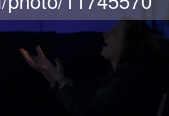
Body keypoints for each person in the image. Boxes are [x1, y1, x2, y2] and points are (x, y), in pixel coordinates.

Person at [19, 19, 166, 115]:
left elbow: (86, 110)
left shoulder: (129, 78)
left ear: (129, 43)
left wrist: (57, 77)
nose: (105, 35)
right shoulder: (115, 74)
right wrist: (48, 70)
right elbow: (78, 96)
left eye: (114, 32)